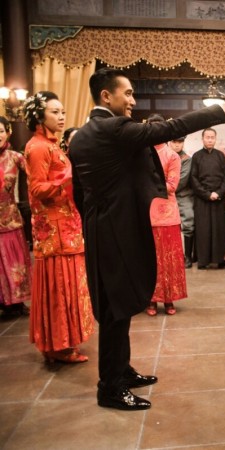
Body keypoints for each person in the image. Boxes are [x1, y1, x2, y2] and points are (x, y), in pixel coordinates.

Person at [69, 67, 225, 411]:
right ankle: (110, 388)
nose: (133, 101)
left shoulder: (80, 137)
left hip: (100, 227)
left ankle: (121, 370)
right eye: (127, 93)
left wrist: (96, 221)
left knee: (118, 304)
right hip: (116, 229)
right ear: (106, 95)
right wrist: (222, 109)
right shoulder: (114, 128)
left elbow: (79, 192)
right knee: (115, 309)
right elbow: (168, 128)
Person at [23, 91, 94, 363]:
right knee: (59, 288)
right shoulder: (39, 147)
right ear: (39, 116)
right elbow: (37, 189)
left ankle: (61, 343)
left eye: (63, 111)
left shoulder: (52, 145)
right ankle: (58, 346)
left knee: (66, 287)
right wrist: (67, 177)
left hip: (66, 225)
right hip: (55, 231)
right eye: (55, 112)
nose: (61, 116)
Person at [145, 114, 187, 316]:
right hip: (146, 211)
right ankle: (151, 298)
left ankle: (169, 298)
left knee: (169, 258)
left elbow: (172, 185)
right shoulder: (140, 153)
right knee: (149, 258)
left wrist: (146, 186)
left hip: (167, 213)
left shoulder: (172, 156)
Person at [0, 116, 31, 319]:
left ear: (8, 133)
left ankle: (17, 303)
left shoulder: (15, 157)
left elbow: (35, 174)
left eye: (1, 131)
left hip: (10, 219)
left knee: (15, 264)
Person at [190, 127, 225, 270]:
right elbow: (193, 179)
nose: (210, 140)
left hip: (218, 198)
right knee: (203, 230)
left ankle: (221, 259)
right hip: (202, 199)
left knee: (220, 229)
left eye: (212, 137)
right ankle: (203, 260)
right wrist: (207, 194)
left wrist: (219, 193)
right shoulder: (196, 156)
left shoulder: (220, 155)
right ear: (203, 139)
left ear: (215, 139)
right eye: (207, 137)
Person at [171, 135, 194, 268]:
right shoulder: (164, 156)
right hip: (167, 195)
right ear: (170, 142)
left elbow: (182, 180)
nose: (177, 144)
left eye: (180, 142)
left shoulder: (186, 159)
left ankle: (188, 257)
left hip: (183, 195)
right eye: (175, 141)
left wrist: (165, 188)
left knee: (188, 223)